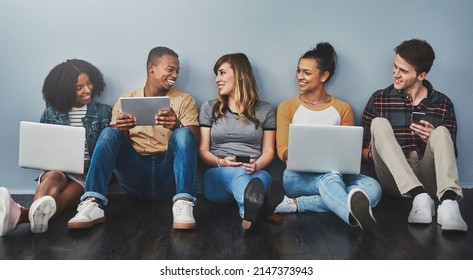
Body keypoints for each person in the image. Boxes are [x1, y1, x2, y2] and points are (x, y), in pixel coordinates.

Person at [67, 46, 200, 230]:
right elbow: (112, 143)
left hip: (168, 176)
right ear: (151, 68)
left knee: (183, 133)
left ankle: (184, 202)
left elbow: (195, 141)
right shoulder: (125, 100)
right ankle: (93, 203)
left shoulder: (185, 100)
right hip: (135, 176)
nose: (175, 75)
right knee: (109, 132)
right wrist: (122, 129)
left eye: (178, 70)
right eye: (170, 69)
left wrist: (177, 125)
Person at [361, 39, 467, 231]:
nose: (395, 74)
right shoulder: (379, 99)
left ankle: (449, 204)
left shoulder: (442, 103)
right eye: (395, 67)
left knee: (441, 132)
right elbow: (362, 151)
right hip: (395, 182)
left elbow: (452, 155)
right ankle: (418, 195)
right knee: (379, 123)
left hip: (430, 180)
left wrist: (431, 139)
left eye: (403, 71)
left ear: (422, 75)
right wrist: (378, 150)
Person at [274, 42, 382, 231]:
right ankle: (351, 213)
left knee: (373, 188)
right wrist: (307, 152)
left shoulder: (343, 109)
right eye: (298, 71)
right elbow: (282, 150)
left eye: (307, 73)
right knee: (330, 179)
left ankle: (295, 204)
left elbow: (349, 154)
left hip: (338, 175)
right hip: (297, 177)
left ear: (324, 76)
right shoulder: (287, 107)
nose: (300, 77)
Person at [1, 59, 111, 236]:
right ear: (66, 90)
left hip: (86, 174)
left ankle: (19, 215)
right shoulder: (50, 113)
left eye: (89, 83)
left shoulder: (104, 113)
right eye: (79, 87)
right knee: (52, 176)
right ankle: (25, 215)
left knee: (60, 199)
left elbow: (108, 152)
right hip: (57, 170)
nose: (87, 89)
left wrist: (83, 164)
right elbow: (45, 150)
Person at [199, 53, 284, 230]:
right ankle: (265, 209)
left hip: (254, 173)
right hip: (218, 176)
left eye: (222, 73)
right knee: (239, 175)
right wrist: (220, 162)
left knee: (263, 179)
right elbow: (203, 151)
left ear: (239, 74)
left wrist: (257, 166)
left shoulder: (265, 110)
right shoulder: (209, 108)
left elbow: (269, 151)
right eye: (217, 74)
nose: (217, 79)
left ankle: (248, 213)